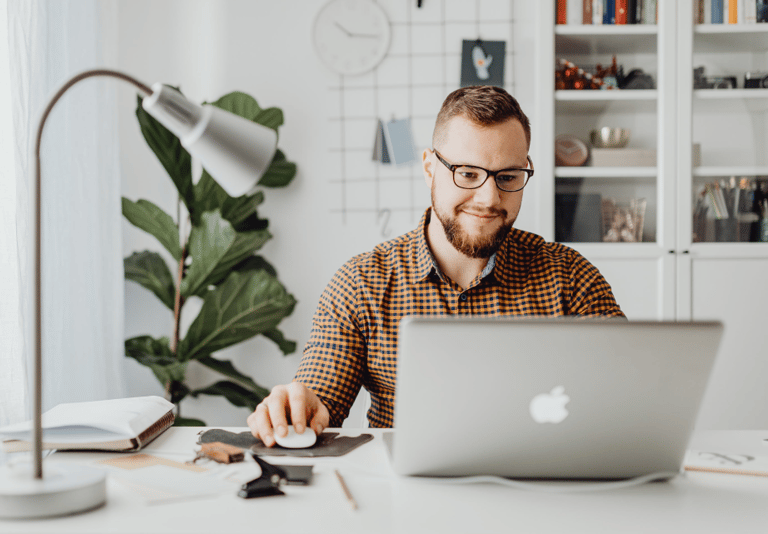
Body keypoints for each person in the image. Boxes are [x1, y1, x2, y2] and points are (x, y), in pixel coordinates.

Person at [247, 85, 624, 446]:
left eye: (508, 177)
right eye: (468, 174)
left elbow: (630, 394)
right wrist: (298, 409)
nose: (489, 198)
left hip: (541, 492)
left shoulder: (571, 277)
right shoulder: (362, 282)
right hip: (405, 499)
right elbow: (319, 397)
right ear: (430, 167)